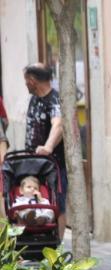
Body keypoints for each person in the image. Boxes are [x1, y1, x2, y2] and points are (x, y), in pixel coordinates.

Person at [23, 63, 67, 239]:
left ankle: (58, 243)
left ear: (32, 80)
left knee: (57, 204)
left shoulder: (55, 100)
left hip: (53, 166)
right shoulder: (34, 99)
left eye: (26, 80)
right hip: (33, 164)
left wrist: (48, 147)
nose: (25, 84)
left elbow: (59, 125)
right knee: (32, 200)